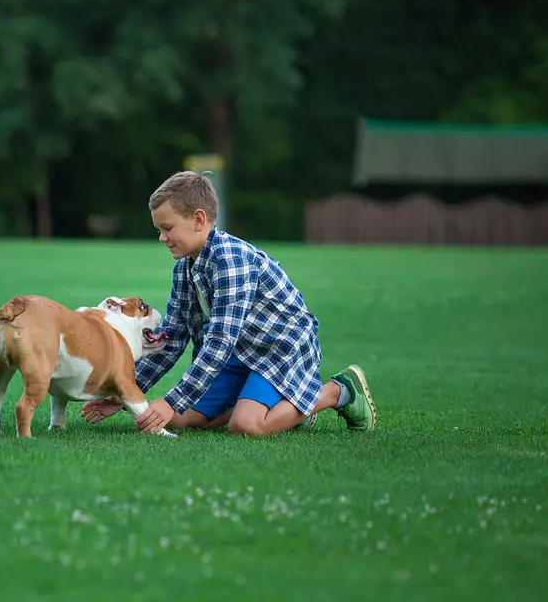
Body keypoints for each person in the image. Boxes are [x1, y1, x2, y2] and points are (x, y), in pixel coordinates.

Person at [81, 170, 376, 437]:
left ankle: (338, 391)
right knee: (179, 419)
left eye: (168, 228)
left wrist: (171, 400)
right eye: (159, 229)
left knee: (246, 425)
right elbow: (170, 340)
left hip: (279, 350)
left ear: (198, 220)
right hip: (238, 354)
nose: (162, 237)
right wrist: (128, 394)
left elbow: (220, 341)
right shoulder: (185, 267)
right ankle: (285, 408)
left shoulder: (231, 261)